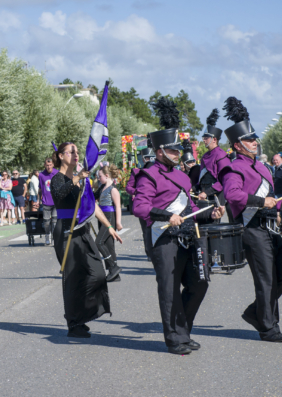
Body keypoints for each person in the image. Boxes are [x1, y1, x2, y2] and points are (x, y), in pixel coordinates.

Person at [133, 98, 223, 354]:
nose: (178, 154)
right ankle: (174, 339)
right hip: (163, 240)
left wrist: (211, 214)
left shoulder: (183, 175)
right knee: (170, 291)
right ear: (160, 151)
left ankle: (183, 330)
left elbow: (191, 209)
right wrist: (164, 215)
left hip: (187, 237)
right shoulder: (148, 174)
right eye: (173, 150)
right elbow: (139, 207)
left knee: (199, 284)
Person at [219, 96, 282, 343]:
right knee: (266, 279)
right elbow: (233, 195)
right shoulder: (233, 168)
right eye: (249, 139)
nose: (254, 142)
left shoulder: (262, 167)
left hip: (269, 227)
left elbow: (273, 198)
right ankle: (269, 327)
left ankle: (255, 312)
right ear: (238, 145)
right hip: (251, 228)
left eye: (254, 138)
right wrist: (261, 202)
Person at [51, 142, 123, 338]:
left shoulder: (81, 181)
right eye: (71, 152)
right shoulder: (57, 179)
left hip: (82, 230)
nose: (76, 154)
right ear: (60, 155)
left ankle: (83, 313)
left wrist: (109, 227)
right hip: (66, 231)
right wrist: (77, 178)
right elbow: (59, 193)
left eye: (77, 151)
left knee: (97, 273)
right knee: (73, 278)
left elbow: (93, 206)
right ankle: (74, 324)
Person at [126, 138, 156, 261]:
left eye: (150, 158)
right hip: (143, 203)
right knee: (146, 230)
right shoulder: (137, 171)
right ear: (144, 159)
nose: (149, 160)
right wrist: (138, 191)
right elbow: (128, 187)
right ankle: (149, 253)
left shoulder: (158, 170)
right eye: (147, 158)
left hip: (157, 203)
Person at [196, 109, 231, 205]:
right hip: (203, 195)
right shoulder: (204, 156)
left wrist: (207, 192)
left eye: (206, 138)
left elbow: (224, 180)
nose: (204, 140)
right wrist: (195, 187)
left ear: (214, 139)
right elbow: (202, 178)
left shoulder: (221, 155)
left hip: (216, 196)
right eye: (204, 138)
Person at [95, 164, 123, 282]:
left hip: (110, 217)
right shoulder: (102, 188)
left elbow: (118, 206)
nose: (98, 178)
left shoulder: (113, 189)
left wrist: (118, 222)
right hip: (102, 217)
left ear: (106, 176)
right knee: (109, 245)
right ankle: (114, 275)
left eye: (100, 176)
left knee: (99, 242)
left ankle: (113, 266)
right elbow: (92, 196)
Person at [39, 158, 58, 245]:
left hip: (56, 202)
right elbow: (40, 188)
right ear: (44, 165)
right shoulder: (41, 175)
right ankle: (47, 234)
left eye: (50, 165)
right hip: (46, 202)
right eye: (47, 165)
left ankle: (55, 238)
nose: (49, 167)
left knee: (54, 221)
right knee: (46, 222)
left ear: (53, 165)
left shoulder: (57, 173)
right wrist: (38, 199)